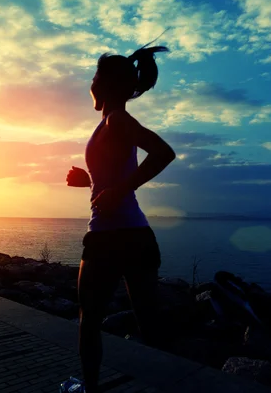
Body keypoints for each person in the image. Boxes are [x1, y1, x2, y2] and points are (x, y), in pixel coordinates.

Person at [61, 43, 176, 393]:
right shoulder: (111, 124)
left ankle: (90, 390)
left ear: (106, 84)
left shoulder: (116, 119)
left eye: (94, 77)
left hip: (108, 238)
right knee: (150, 325)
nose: (90, 83)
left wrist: (120, 189)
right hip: (136, 235)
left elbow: (163, 153)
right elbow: (111, 188)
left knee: (89, 321)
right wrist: (92, 182)